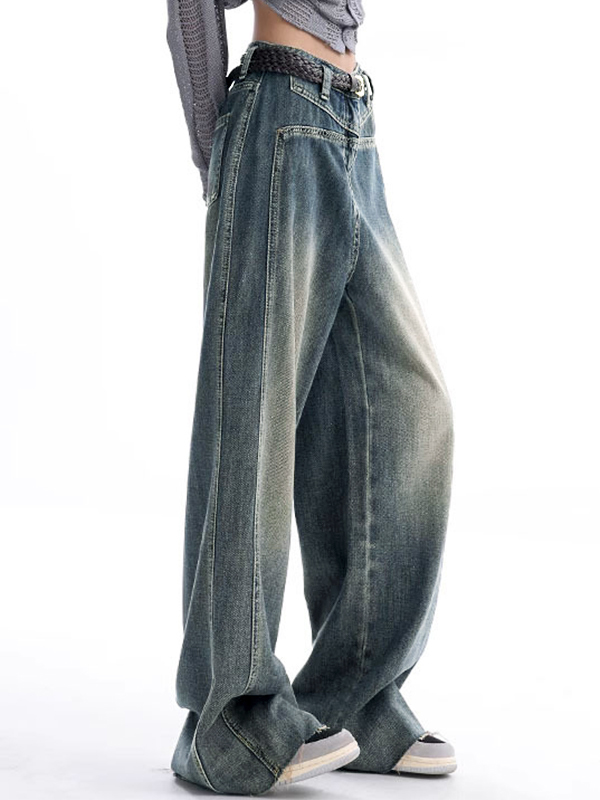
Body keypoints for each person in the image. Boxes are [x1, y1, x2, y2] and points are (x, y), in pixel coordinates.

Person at [164, 1, 457, 794]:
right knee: (252, 423)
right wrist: (219, 156)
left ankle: (352, 697)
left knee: (409, 409)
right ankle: (227, 724)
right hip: (277, 116)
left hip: (353, 122)